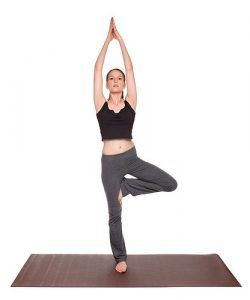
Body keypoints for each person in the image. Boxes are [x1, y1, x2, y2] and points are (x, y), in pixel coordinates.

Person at [94, 17, 178, 273]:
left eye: (119, 78)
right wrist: (107, 42)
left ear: (124, 84)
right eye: (112, 78)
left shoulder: (131, 101)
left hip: (131, 158)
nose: (117, 80)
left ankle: (127, 187)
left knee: (169, 183)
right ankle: (120, 258)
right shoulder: (100, 104)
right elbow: (96, 71)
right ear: (108, 85)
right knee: (114, 214)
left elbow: (131, 70)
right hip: (109, 165)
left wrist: (121, 40)